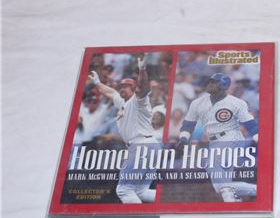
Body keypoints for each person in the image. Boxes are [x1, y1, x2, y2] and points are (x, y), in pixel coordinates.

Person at [89, 53, 161, 203]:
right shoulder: (122, 103)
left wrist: (142, 70)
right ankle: (171, 202)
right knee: (141, 191)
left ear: (133, 89)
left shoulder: (138, 100)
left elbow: (143, 87)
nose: (122, 89)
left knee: (124, 190)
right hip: (150, 145)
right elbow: (110, 92)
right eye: (121, 86)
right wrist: (97, 82)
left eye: (126, 87)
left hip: (141, 145)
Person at [176, 73, 258, 202]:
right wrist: (183, 138)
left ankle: (231, 200)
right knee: (220, 187)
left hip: (231, 137)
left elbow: (251, 125)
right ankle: (254, 191)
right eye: (210, 81)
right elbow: (188, 124)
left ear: (223, 85)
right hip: (213, 142)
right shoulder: (197, 103)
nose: (210, 84)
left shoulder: (236, 102)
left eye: (214, 82)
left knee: (211, 163)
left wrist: (260, 140)